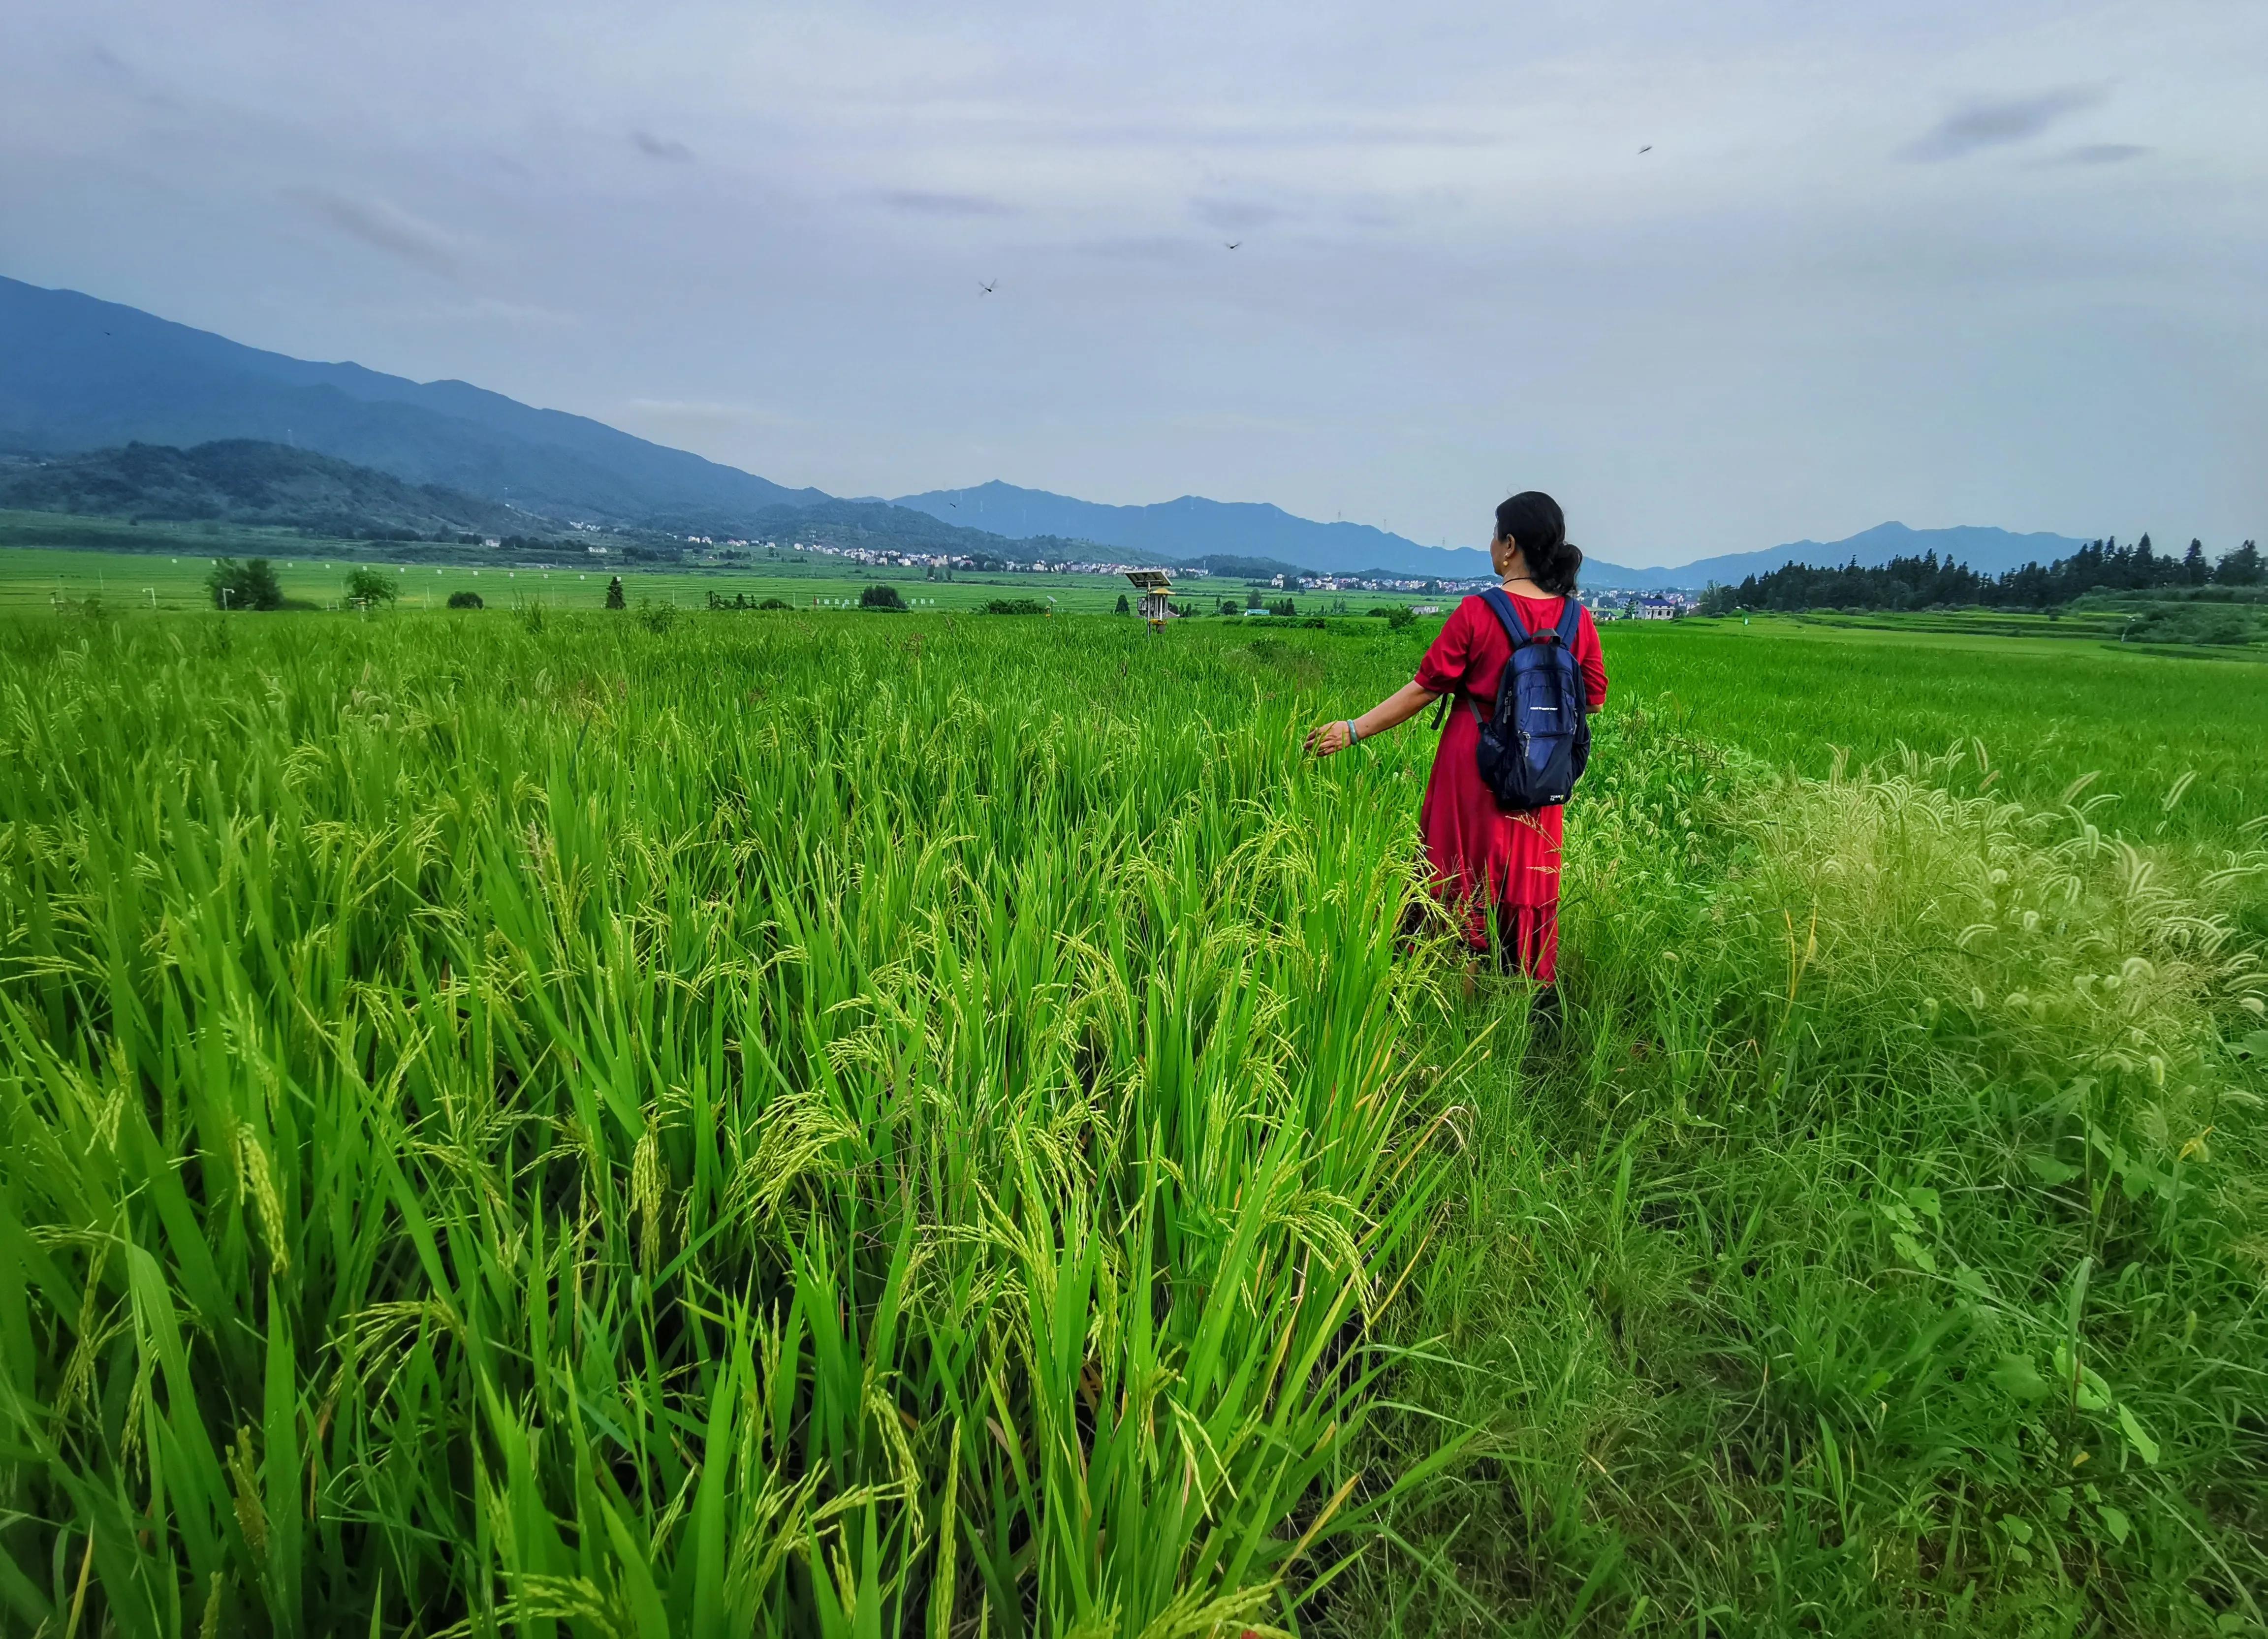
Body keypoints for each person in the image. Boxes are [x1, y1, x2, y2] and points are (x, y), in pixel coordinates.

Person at [1305, 491, 1608, 984]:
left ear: (1510, 546)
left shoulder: (1477, 612)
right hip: (1541, 771)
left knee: (1460, 880)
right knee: (1527, 878)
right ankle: (1519, 999)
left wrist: (1353, 729)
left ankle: (1456, 1004)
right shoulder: (1578, 620)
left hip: (1475, 765)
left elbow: (1425, 689)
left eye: (1495, 535)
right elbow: (1593, 700)